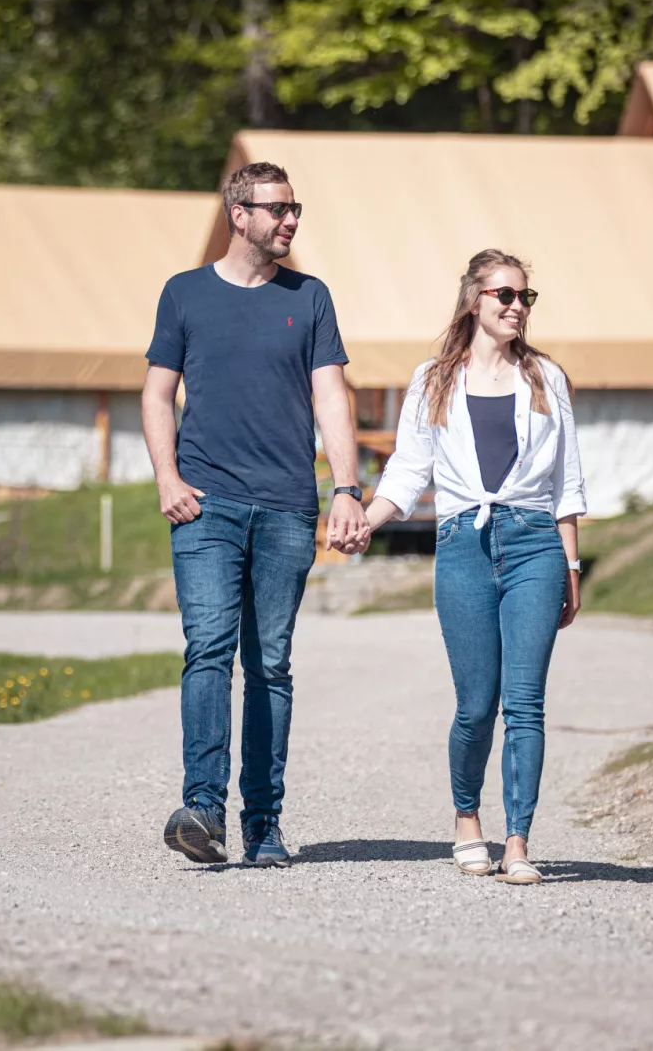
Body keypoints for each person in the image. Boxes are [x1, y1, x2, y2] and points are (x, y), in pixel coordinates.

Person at [143, 161, 369, 868]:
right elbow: (156, 395)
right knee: (208, 648)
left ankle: (263, 822)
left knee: (270, 662)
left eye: (295, 207)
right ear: (239, 213)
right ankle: (203, 809)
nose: (291, 220)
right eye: (278, 208)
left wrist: (347, 487)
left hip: (284, 507)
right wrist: (167, 478)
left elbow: (332, 395)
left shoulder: (310, 296)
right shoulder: (184, 294)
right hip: (205, 503)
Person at [361, 250, 585, 885]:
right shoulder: (434, 378)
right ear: (473, 300)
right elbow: (407, 470)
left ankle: (518, 841)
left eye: (525, 298)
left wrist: (571, 566)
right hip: (462, 544)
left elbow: (567, 482)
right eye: (505, 295)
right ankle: (467, 819)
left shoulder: (547, 378)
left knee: (526, 702)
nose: (517, 307)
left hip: (535, 543)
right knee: (476, 706)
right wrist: (365, 520)